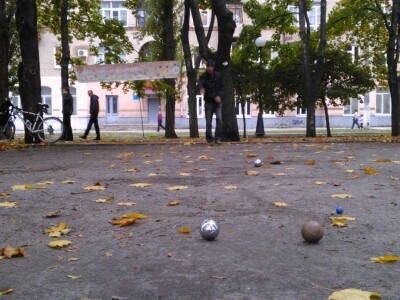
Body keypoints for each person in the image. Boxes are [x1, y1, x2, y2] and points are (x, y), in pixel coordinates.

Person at [198, 59, 224, 144]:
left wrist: (219, 96)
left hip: (217, 102)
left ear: (213, 67)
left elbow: (222, 87)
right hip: (209, 102)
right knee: (208, 121)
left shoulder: (218, 76)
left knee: (219, 120)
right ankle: (209, 139)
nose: (210, 68)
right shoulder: (203, 76)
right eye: (208, 66)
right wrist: (201, 88)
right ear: (206, 67)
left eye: (211, 66)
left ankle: (218, 138)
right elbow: (200, 83)